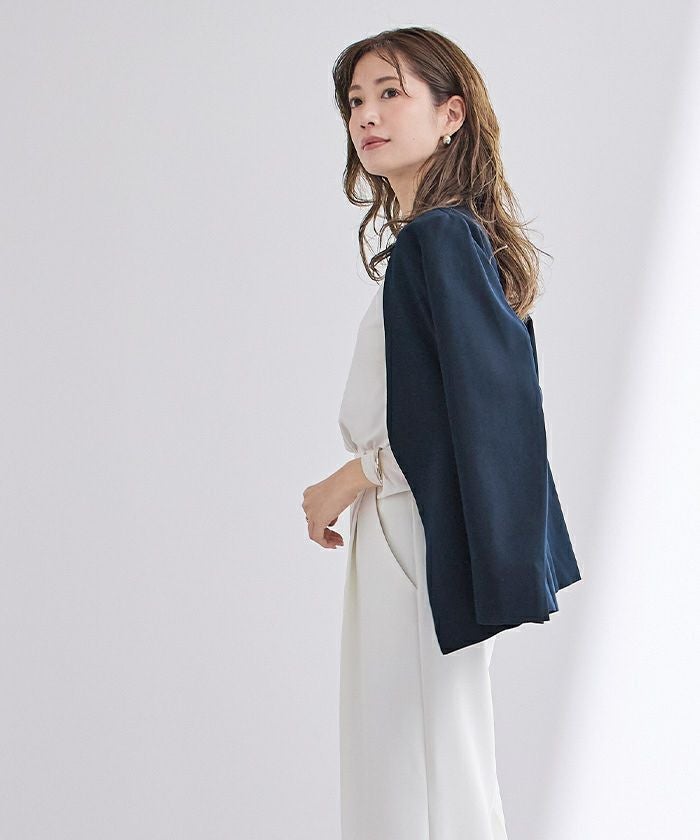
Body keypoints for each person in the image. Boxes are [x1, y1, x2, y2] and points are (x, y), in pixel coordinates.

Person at [301, 26, 582, 840]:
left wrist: (350, 477)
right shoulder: (438, 238)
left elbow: (478, 413)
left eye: (391, 93)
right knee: (425, 763)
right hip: (406, 526)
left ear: (450, 114)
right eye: (356, 100)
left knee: (415, 773)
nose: (366, 115)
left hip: (412, 530)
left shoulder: (440, 237)